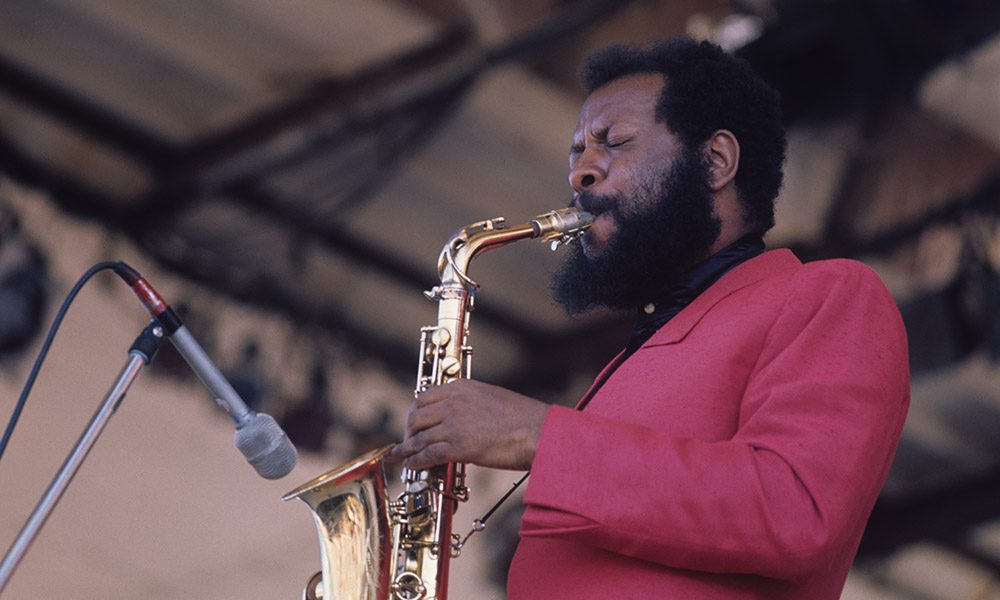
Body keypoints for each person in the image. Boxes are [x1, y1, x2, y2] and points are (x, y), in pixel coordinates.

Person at [391, 37, 910, 599]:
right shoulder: (637, 353)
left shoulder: (829, 295)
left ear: (715, 162)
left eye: (614, 143)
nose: (581, 174)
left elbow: (794, 511)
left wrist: (537, 435)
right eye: (577, 152)